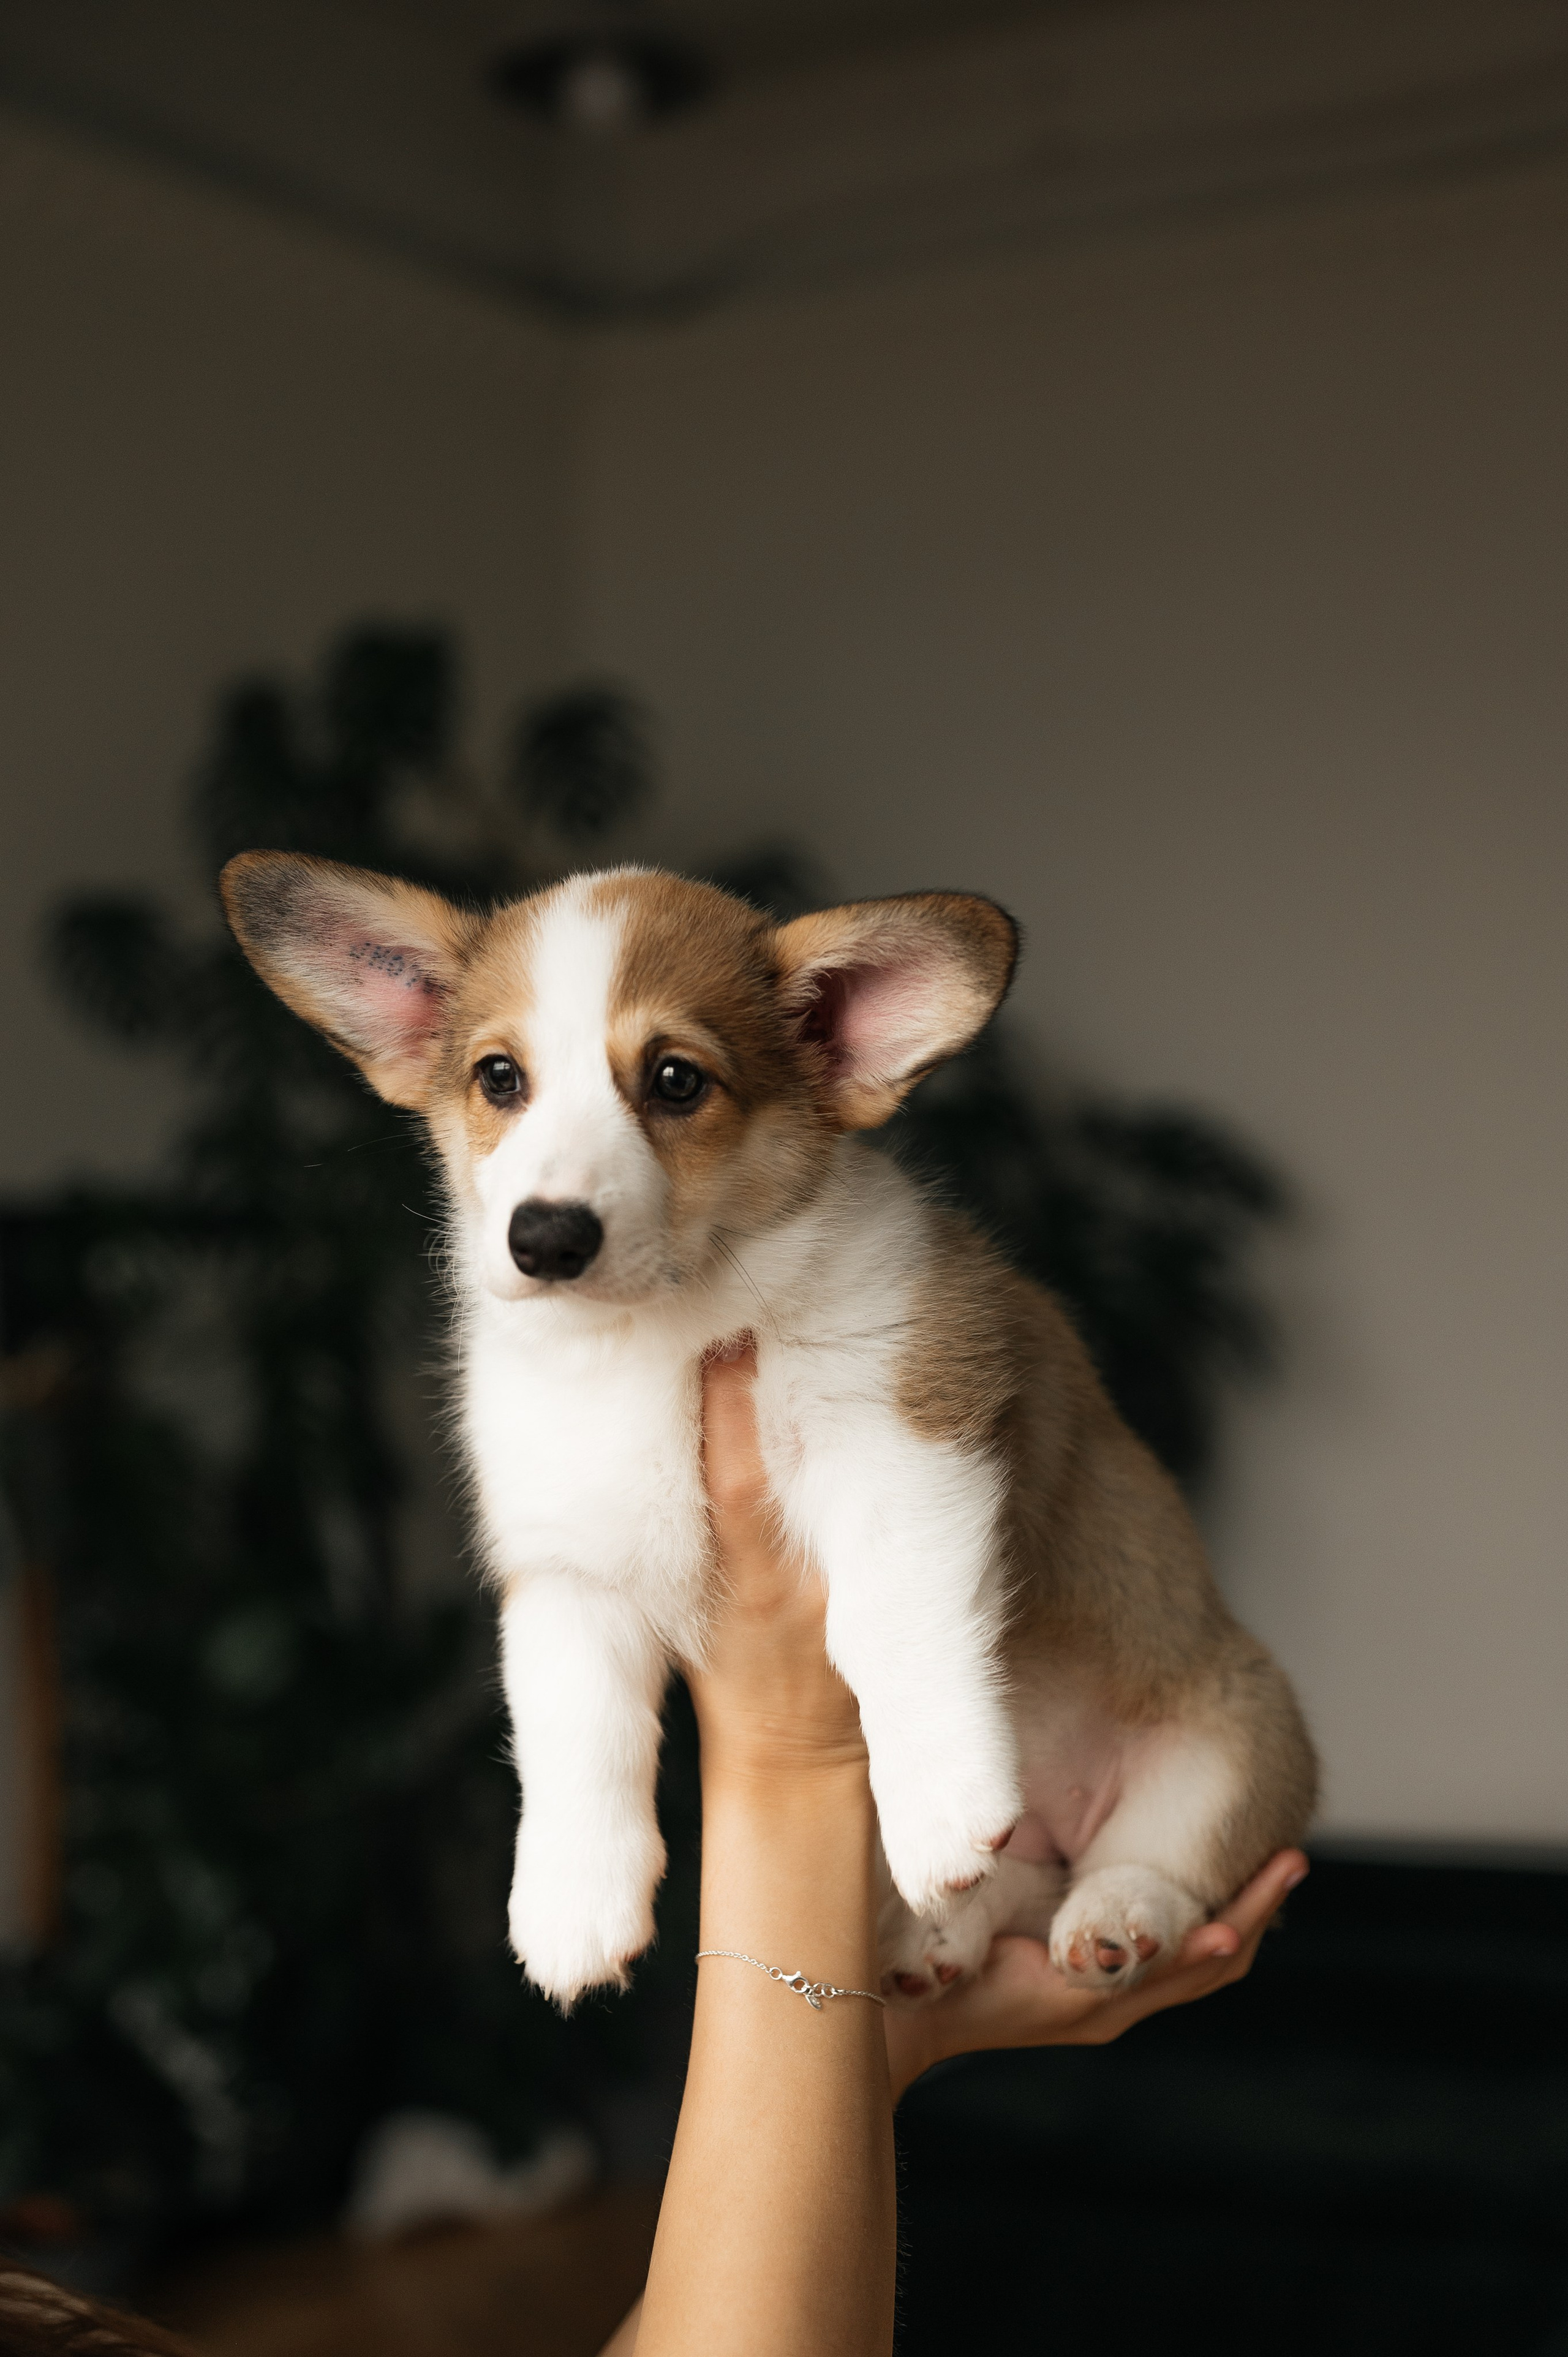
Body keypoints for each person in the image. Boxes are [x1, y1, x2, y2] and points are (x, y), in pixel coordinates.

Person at [599, 1344, 1307, 2356]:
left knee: (1229, 1730)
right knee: (947, 1836)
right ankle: (1010, 1895)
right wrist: (908, 2037)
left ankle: (1134, 1871)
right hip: (970, 1785)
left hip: (1129, 1715)